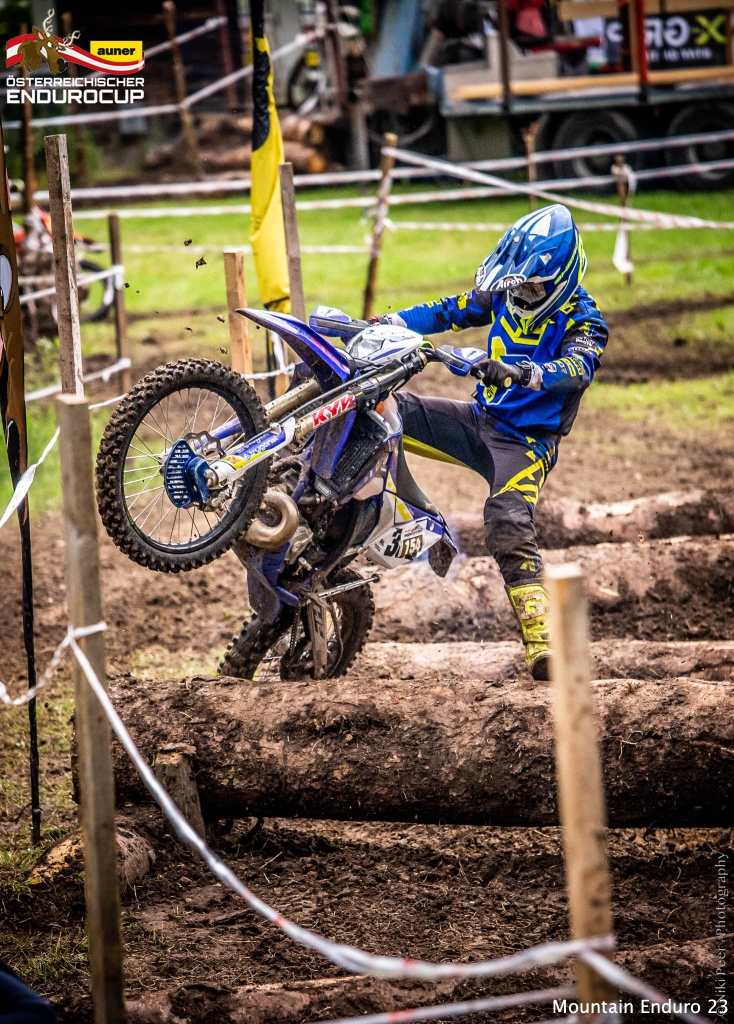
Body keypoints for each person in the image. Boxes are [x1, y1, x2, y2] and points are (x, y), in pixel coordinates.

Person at [374, 204, 608, 680]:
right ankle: (340, 510)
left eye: (533, 287)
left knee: (506, 520)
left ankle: (544, 644)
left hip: (527, 444)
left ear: (562, 278)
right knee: (382, 407)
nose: (522, 294)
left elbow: (578, 369)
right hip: (480, 419)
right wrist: (390, 324)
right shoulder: (504, 293)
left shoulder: (585, 321)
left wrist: (522, 372)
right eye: (519, 285)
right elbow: (449, 310)